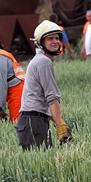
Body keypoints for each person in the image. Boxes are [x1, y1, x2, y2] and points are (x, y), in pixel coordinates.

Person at [17, 20, 73, 150]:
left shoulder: (40, 60)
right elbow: (52, 97)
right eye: (50, 39)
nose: (55, 41)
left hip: (30, 121)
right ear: (40, 42)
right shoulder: (43, 62)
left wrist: (59, 121)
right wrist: (61, 127)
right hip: (34, 122)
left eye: (57, 38)